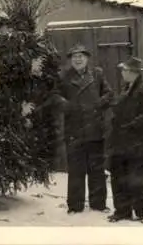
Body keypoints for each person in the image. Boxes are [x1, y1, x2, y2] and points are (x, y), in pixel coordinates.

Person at [55, 44, 113, 214]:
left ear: (87, 58)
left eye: (81, 56)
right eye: (74, 57)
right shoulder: (63, 76)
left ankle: (98, 204)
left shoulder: (97, 74)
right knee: (75, 170)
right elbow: (53, 95)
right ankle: (75, 205)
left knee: (96, 169)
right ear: (70, 60)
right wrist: (65, 105)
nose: (78, 59)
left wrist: (98, 104)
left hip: (95, 129)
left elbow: (109, 94)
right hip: (74, 130)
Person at [107, 56, 143, 224]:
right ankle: (122, 211)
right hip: (121, 143)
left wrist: (132, 125)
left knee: (137, 180)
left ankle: (141, 213)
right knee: (119, 178)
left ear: (133, 72)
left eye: (124, 70)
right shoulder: (125, 89)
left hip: (138, 144)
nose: (122, 73)